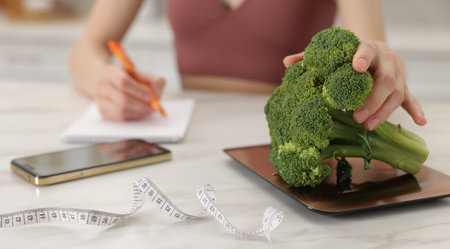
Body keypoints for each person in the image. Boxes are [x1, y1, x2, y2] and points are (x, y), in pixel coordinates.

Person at [70, 0, 426, 131]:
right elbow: (87, 49)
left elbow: (374, 52)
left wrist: (382, 60)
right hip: (183, 141)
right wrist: (105, 82)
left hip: (269, 143)